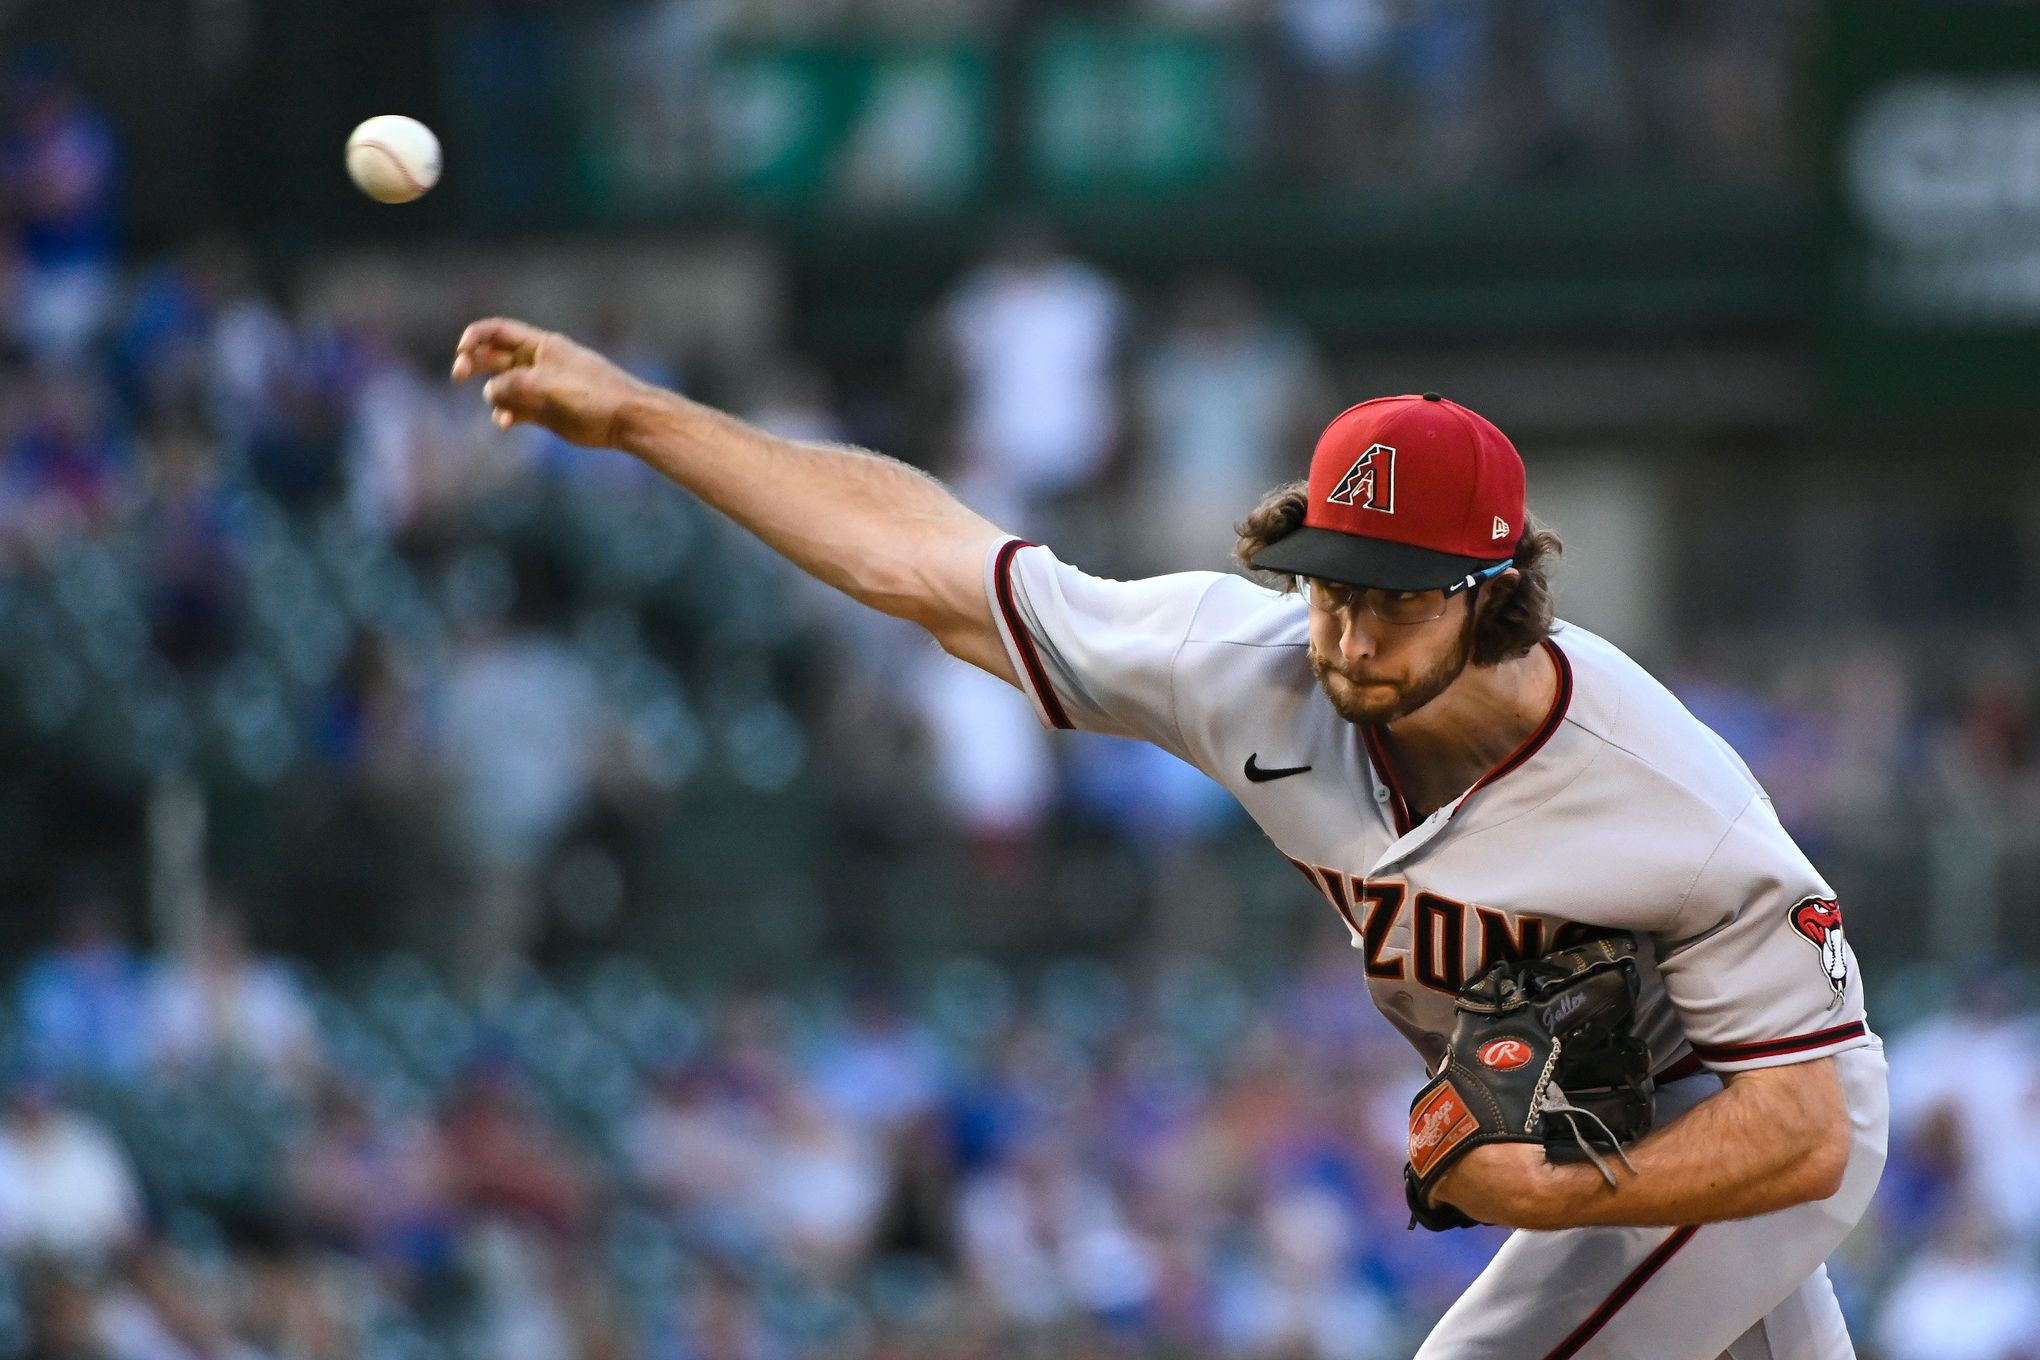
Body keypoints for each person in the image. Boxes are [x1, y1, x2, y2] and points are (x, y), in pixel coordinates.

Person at [450, 317, 1888, 1358]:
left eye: (1397, 595)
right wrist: (642, 416)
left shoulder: (1665, 798)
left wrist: (1555, 1184)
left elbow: (1808, 1130)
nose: (1348, 629)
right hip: (1600, 1102)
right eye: (1331, 578)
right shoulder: (1244, 662)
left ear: (1493, 594)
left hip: (1734, 1117)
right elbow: (928, 565)